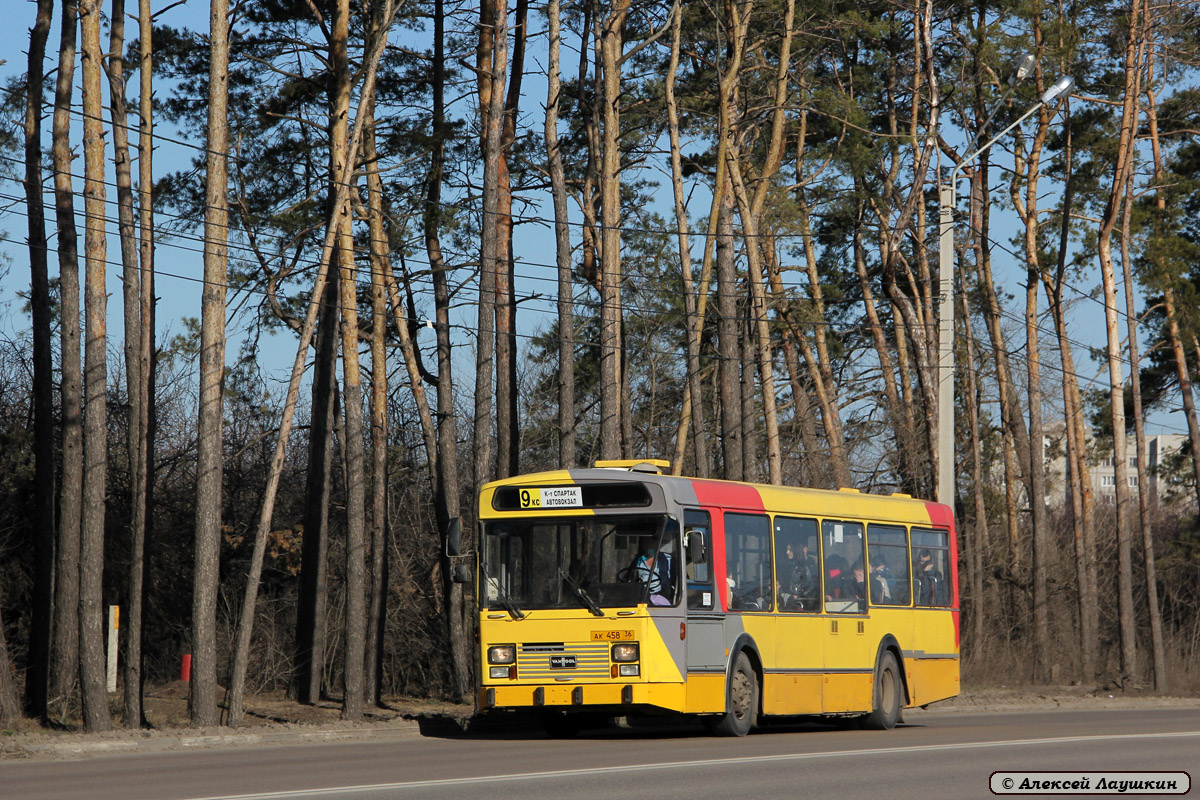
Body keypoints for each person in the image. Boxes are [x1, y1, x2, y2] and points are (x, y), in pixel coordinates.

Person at [633, 538, 674, 606]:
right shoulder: (637, 561)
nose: (647, 545)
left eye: (650, 542)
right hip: (641, 598)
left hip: (662, 596)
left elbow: (678, 579)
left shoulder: (668, 560)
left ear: (657, 543)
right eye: (644, 542)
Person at [781, 541, 820, 610]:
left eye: (790, 550)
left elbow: (811, 584)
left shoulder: (804, 567)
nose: (787, 552)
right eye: (787, 550)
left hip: (802, 603)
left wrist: (798, 594)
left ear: (796, 551)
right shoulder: (789, 566)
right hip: (789, 599)